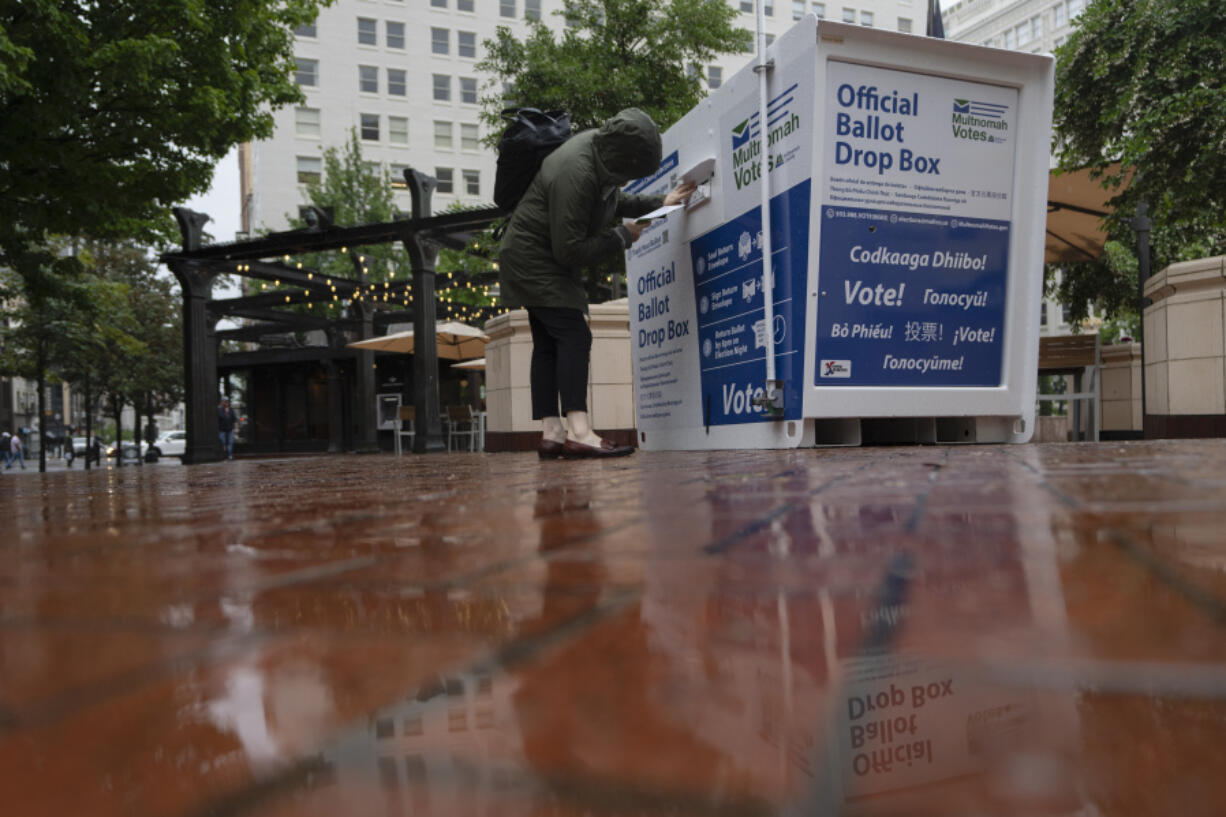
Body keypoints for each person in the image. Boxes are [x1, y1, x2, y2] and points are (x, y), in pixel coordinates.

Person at [498, 107, 695, 459]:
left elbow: (611, 198)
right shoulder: (577, 171)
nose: (624, 180)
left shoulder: (596, 148)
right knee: (574, 335)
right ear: (621, 159)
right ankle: (579, 431)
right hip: (537, 260)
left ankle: (552, 431)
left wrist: (660, 203)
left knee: (547, 343)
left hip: (527, 254)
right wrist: (621, 237)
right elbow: (570, 250)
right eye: (627, 173)